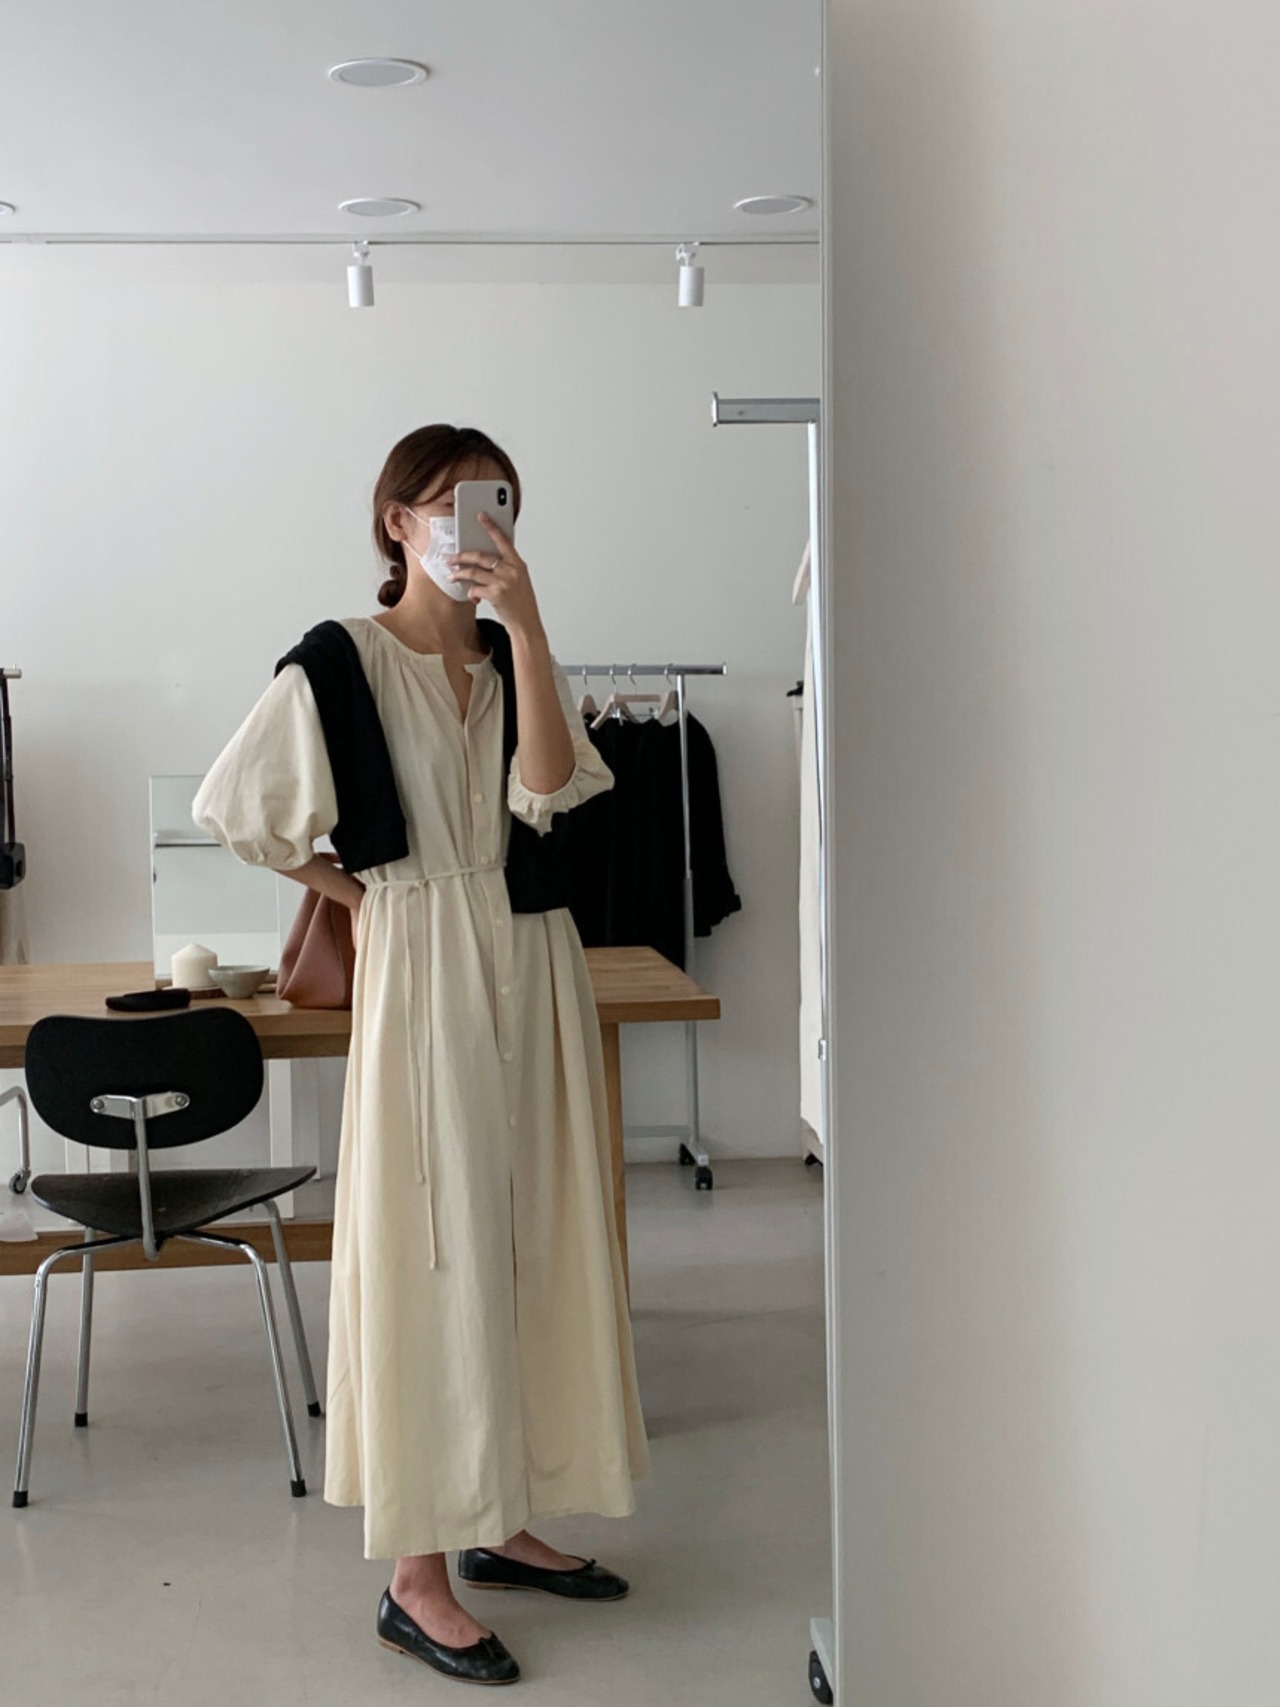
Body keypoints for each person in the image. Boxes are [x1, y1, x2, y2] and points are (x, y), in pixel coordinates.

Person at [193, 424, 650, 1687]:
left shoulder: (508, 660)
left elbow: (547, 794)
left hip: (532, 960)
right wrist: (366, 898)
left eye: (495, 505)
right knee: (432, 1246)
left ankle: (501, 1512)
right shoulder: (342, 660)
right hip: (424, 966)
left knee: (532, 1236)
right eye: (447, 505)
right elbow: (235, 809)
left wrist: (530, 628)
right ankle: (415, 1577)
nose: (473, 529)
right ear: (396, 521)